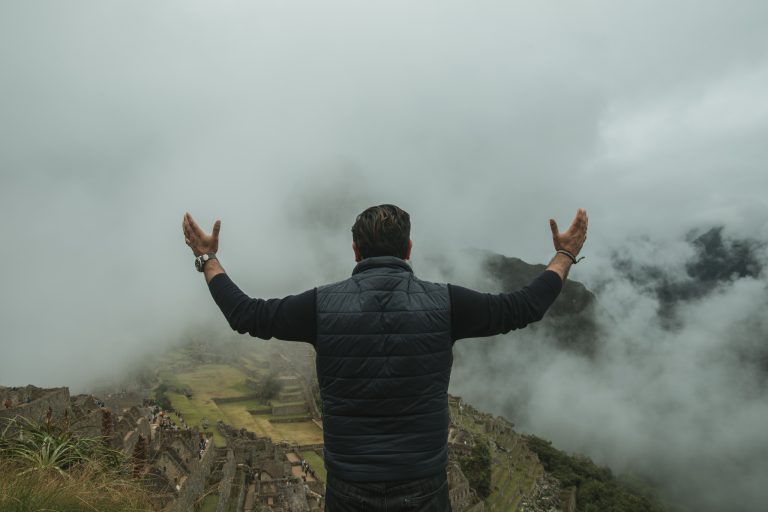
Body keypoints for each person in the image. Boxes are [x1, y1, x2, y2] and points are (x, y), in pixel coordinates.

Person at [182, 205, 587, 512]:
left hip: (349, 486)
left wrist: (207, 258)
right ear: (409, 249)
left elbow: (247, 315)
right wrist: (565, 255)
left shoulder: (321, 306)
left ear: (355, 251)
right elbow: (521, 308)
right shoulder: (445, 303)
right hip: (424, 485)